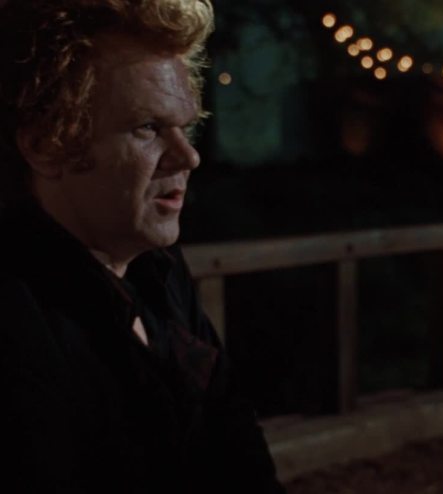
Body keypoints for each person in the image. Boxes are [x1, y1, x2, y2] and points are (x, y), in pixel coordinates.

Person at [0, 0, 286, 491]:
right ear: (46, 145)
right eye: (148, 128)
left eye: (186, 127)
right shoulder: (16, 322)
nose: (188, 156)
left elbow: (240, 451)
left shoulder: (160, 267)